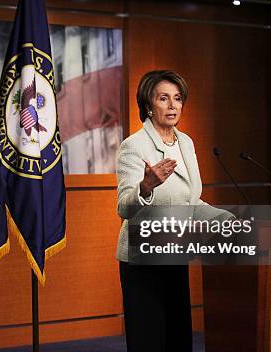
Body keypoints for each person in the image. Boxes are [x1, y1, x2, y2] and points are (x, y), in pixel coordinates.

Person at [116, 70, 233, 351]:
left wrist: (230, 220)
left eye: (177, 99)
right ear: (148, 105)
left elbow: (191, 202)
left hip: (174, 253)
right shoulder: (134, 146)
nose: (172, 106)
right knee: (150, 339)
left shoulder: (186, 142)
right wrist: (146, 187)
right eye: (164, 98)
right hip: (143, 260)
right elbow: (123, 207)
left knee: (178, 338)